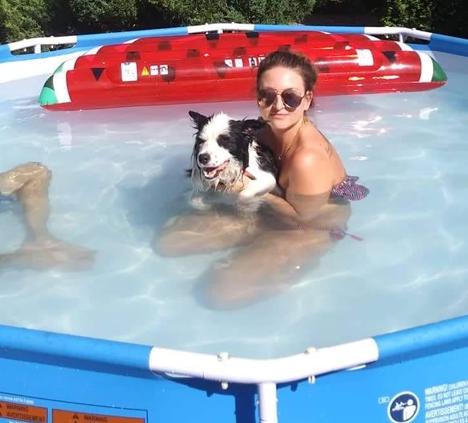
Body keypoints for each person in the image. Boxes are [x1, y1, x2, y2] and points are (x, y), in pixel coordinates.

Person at [157, 49, 369, 308]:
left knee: (221, 293)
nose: (278, 105)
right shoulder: (264, 131)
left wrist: (250, 189)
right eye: (267, 96)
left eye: (290, 97)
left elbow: (304, 217)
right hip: (269, 211)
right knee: (169, 243)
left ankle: (258, 251)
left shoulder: (308, 157)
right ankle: (252, 242)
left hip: (309, 228)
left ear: (307, 100)